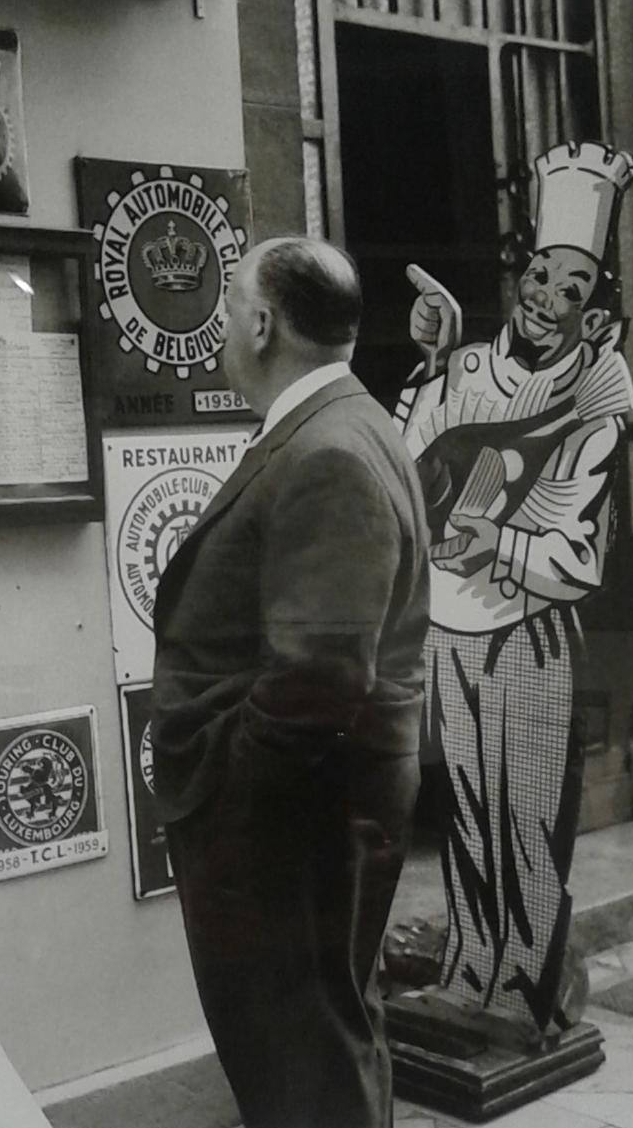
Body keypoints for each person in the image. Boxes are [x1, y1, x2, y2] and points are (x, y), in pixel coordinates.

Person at [151, 236, 430, 1128]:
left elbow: (316, 680)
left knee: (301, 1066)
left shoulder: (328, 453)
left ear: (265, 323)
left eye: (231, 306)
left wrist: (230, 783)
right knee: (324, 1043)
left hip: (287, 832)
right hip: (311, 822)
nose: (222, 325)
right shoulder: (344, 426)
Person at [393, 141, 633, 1031]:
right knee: (463, 809)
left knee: (525, 820)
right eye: (540, 274)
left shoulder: (598, 399)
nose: (546, 297)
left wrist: (495, 536)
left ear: (594, 308)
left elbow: (579, 555)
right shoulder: (463, 369)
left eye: (572, 287)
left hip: (527, 630)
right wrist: (427, 358)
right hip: (447, 628)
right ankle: (467, 973)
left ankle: (521, 991)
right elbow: (405, 457)